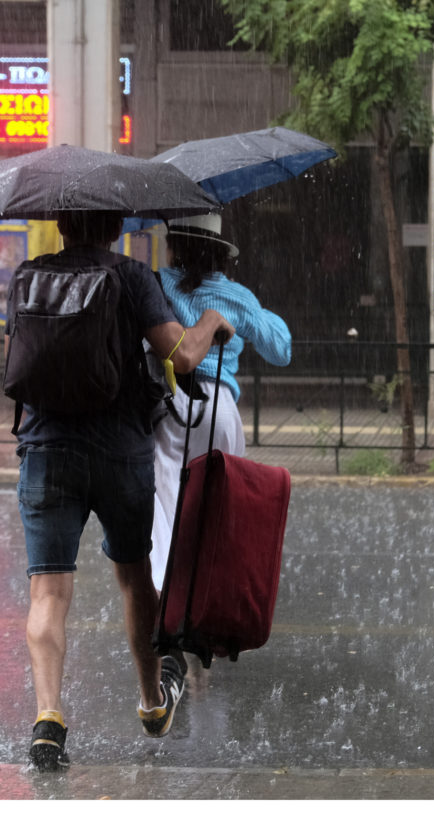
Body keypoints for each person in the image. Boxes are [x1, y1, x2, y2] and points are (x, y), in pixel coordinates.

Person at [8, 210, 235, 772]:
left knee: (48, 593)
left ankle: (48, 718)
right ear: (115, 228)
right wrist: (211, 320)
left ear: (61, 225)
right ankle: (152, 700)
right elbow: (182, 356)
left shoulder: (29, 276)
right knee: (134, 580)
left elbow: (24, 360)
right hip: (119, 452)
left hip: (46, 449)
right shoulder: (132, 276)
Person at [150, 214, 292, 589]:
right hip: (220, 408)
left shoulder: (158, 285)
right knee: (217, 507)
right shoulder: (236, 296)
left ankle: (167, 592)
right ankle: (211, 595)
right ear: (220, 254)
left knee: (165, 502)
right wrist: (249, 309)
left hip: (171, 402)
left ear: (174, 247)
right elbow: (281, 350)